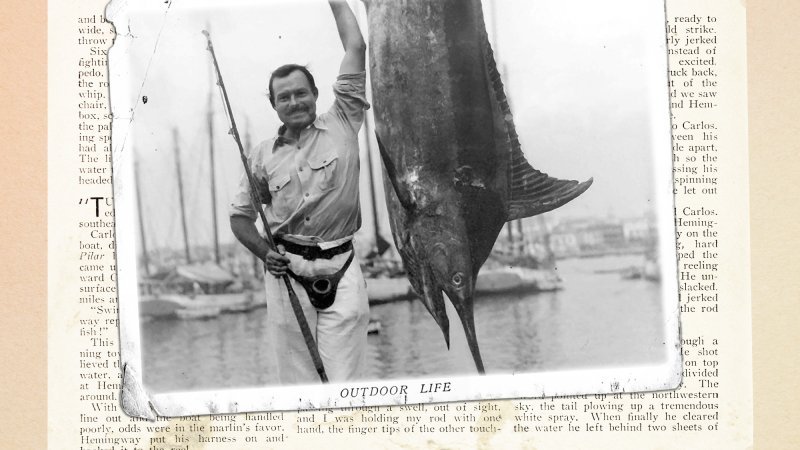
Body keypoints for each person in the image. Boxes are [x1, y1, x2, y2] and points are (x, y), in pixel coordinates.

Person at [229, 0, 370, 384]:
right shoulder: (260, 156)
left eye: (300, 93)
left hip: (342, 265)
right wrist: (265, 253)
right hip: (286, 273)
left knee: (345, 383)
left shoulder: (344, 120)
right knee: (299, 385)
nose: (294, 102)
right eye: (284, 97)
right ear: (274, 105)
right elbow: (240, 218)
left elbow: (356, 47)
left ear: (315, 94)